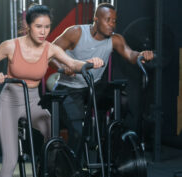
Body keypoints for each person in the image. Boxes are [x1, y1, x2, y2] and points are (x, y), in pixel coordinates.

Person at [0, 4, 103, 177]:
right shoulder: (11, 46)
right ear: (27, 26)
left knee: (53, 137)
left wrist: (88, 63)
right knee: (10, 160)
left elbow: (71, 63)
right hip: (9, 103)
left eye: (47, 27)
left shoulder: (50, 49)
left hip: (33, 102)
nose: (43, 32)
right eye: (38, 26)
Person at [50, 3, 154, 162]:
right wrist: (63, 68)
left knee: (122, 100)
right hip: (70, 88)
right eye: (108, 20)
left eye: (114, 21)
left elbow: (130, 54)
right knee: (79, 132)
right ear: (96, 20)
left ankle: (106, 149)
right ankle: (72, 170)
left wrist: (141, 55)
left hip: (94, 86)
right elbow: (50, 54)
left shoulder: (115, 39)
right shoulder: (76, 33)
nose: (112, 24)